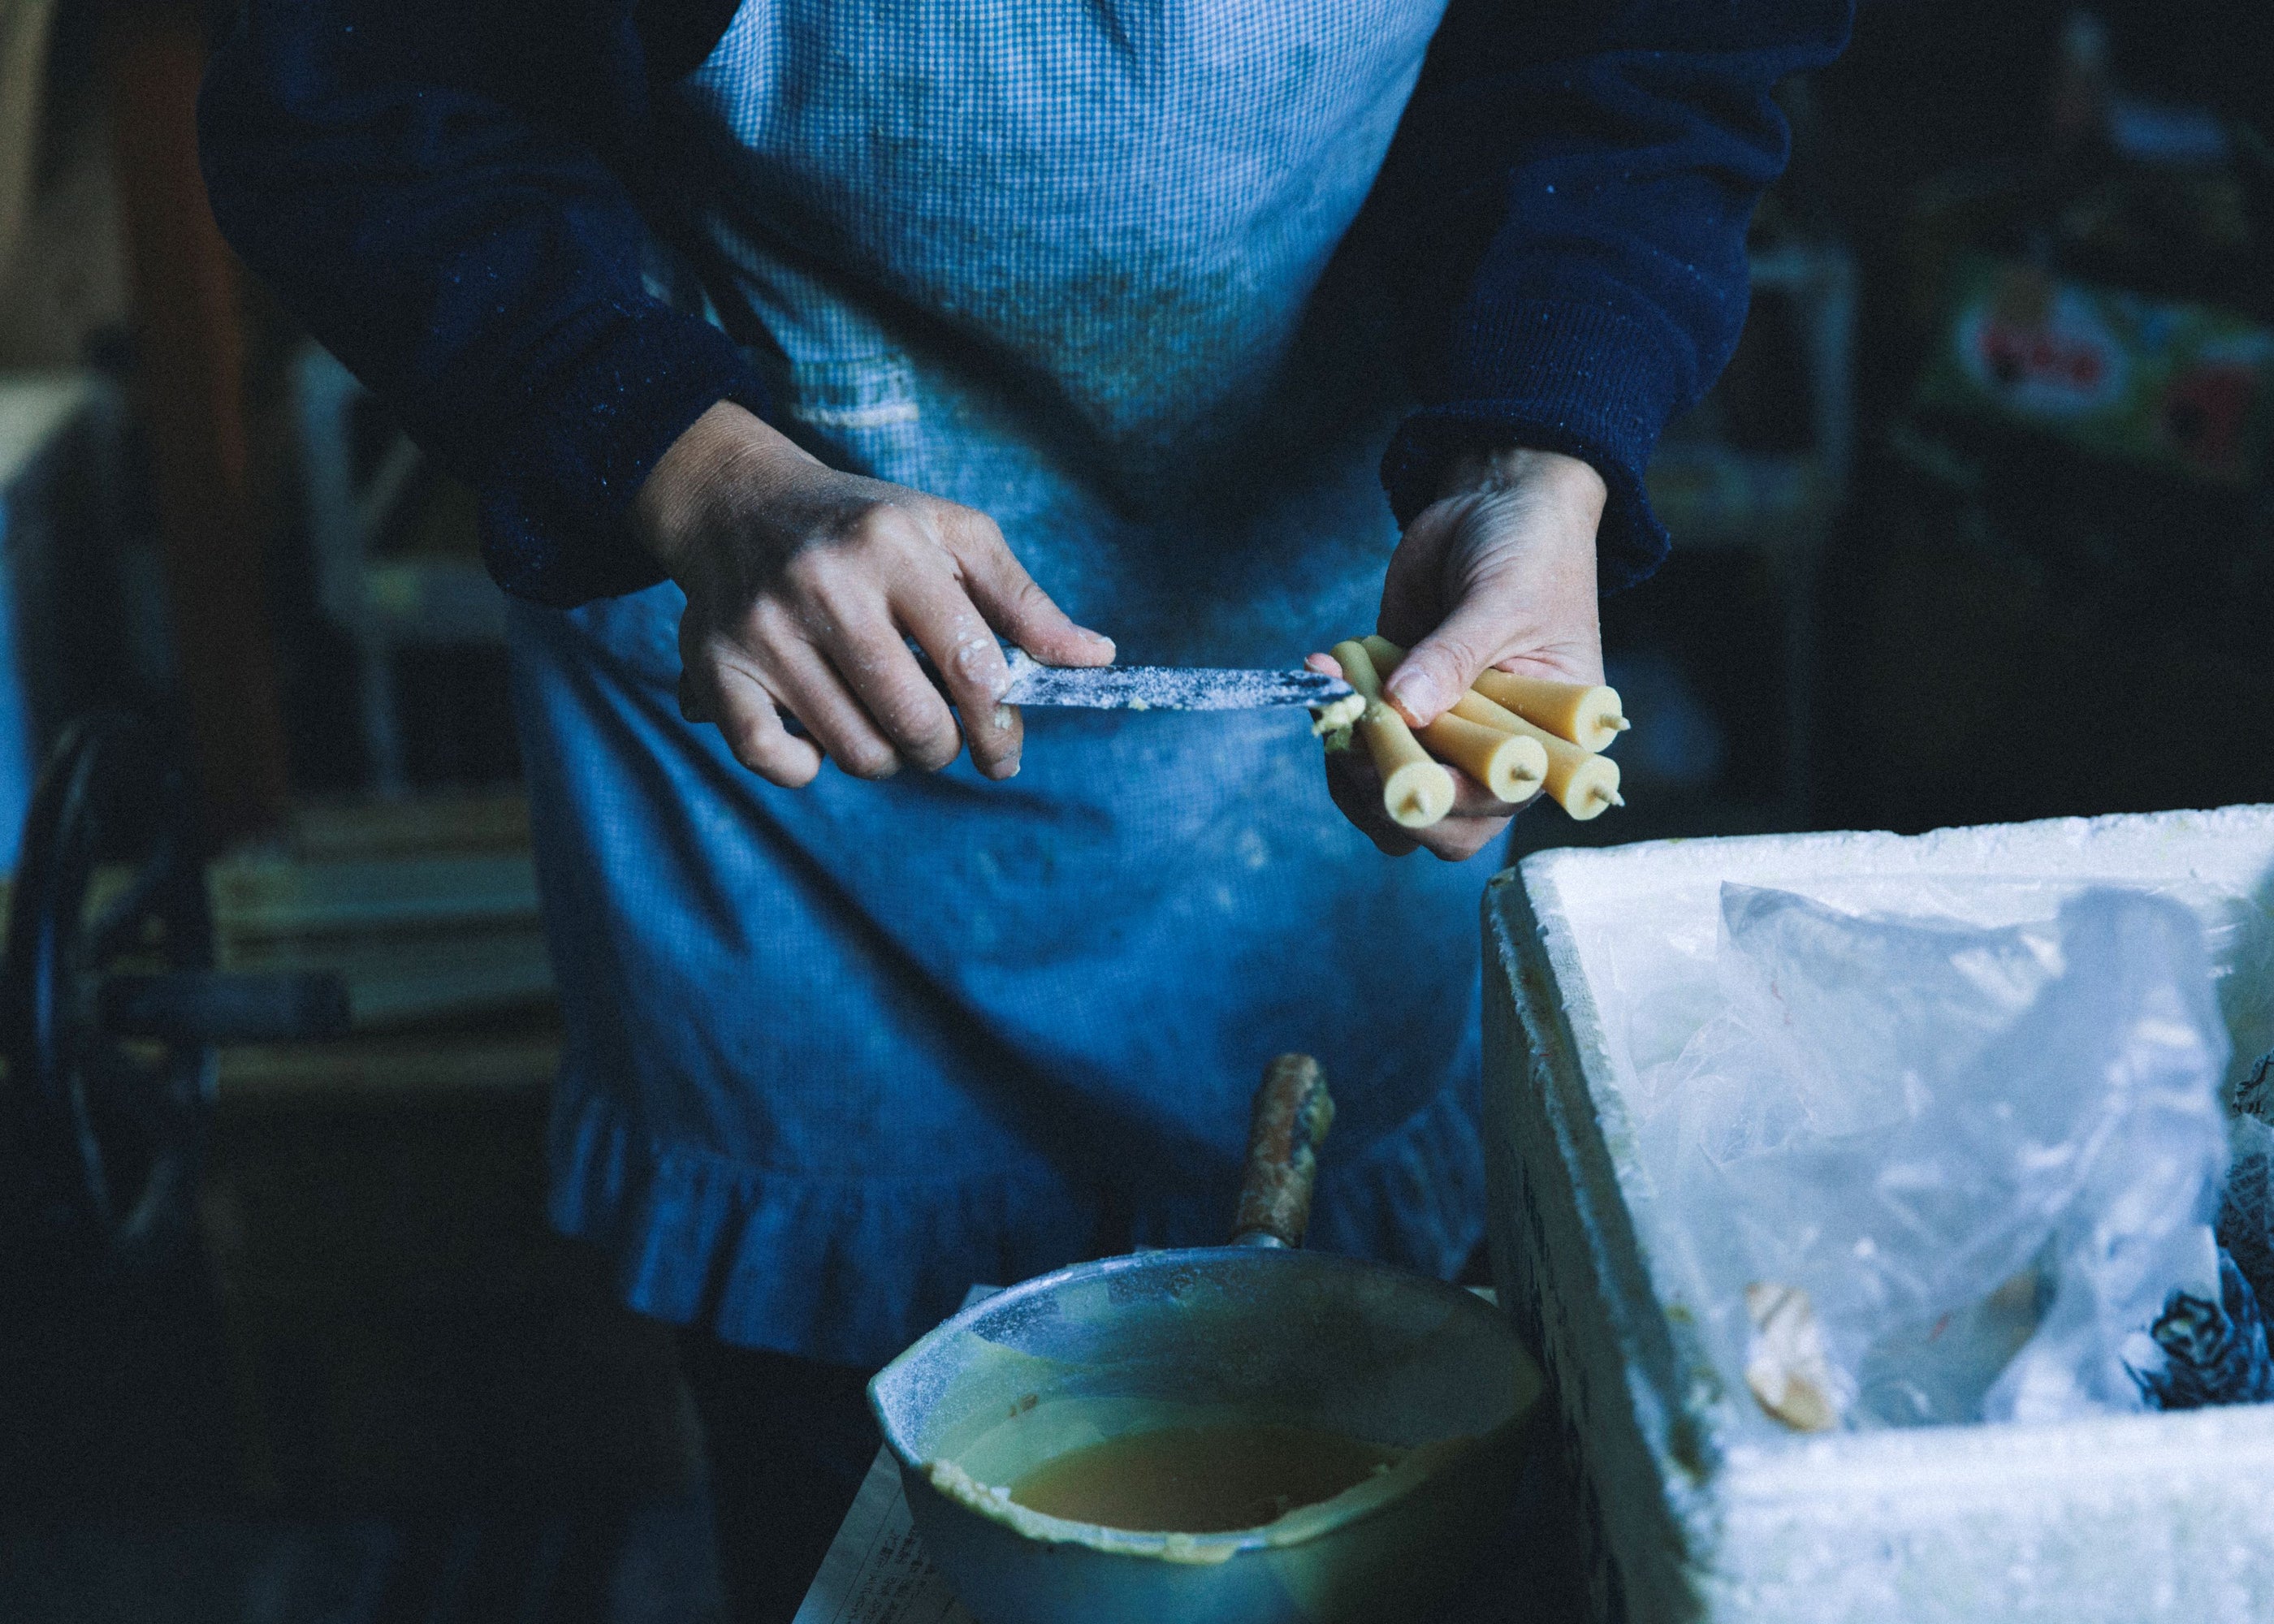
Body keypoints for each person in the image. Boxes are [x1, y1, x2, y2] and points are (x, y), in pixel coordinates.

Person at [200, 1, 1848, 1616]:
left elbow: (1640, 52)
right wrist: (696, 472)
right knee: (858, 1511)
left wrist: (1532, 463)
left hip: (1319, 714)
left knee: (1360, 1468)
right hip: (786, 744)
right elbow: (350, 96)